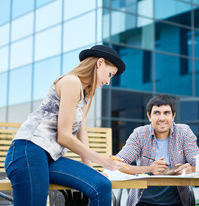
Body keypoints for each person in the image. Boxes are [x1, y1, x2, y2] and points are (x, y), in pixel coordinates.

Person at [5, 45, 127, 206]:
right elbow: (64, 136)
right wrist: (102, 160)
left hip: (50, 158)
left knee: (101, 185)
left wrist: (90, 169)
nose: (108, 81)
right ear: (100, 63)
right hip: (28, 151)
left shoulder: (84, 95)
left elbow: (82, 136)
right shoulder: (71, 81)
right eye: (110, 74)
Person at [116, 94, 199, 206]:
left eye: (166, 113)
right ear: (149, 116)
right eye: (156, 113)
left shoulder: (184, 132)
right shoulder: (140, 134)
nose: (162, 118)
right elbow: (117, 163)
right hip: (142, 201)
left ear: (173, 116)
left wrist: (191, 169)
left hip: (177, 202)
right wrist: (149, 169)